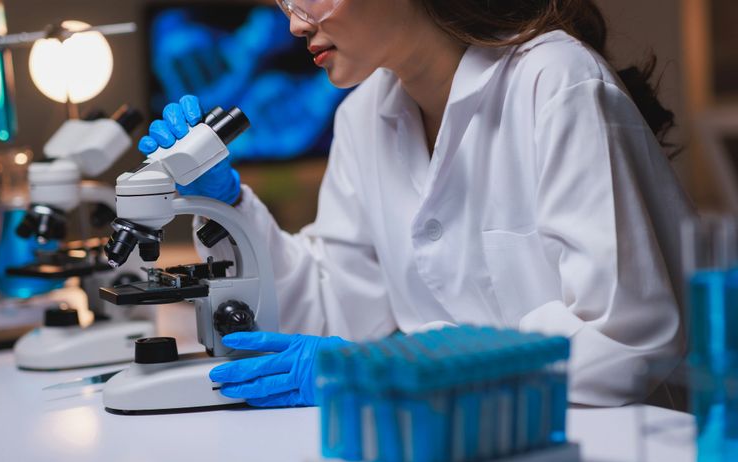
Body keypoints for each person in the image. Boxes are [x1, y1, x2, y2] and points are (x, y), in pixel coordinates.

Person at [138, 0, 684, 408]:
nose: (295, 24)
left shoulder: (556, 80)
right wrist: (230, 205)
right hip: (461, 446)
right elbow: (336, 313)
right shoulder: (361, 117)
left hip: (612, 449)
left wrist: (398, 368)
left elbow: (624, 335)